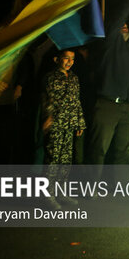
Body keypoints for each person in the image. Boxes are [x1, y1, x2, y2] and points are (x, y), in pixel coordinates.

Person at [87, 0, 129, 176]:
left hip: (125, 107)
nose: (124, 26)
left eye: (126, 26)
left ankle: (122, 185)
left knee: (124, 149)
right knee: (99, 148)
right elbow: (116, 20)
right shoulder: (109, 44)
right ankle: (91, 187)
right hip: (107, 105)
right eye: (120, 25)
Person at [41, 49, 86, 209]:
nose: (69, 61)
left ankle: (60, 192)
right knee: (53, 159)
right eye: (66, 58)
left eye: (72, 59)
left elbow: (76, 100)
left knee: (66, 159)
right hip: (56, 123)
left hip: (70, 123)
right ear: (56, 59)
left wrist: (80, 122)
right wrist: (48, 117)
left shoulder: (74, 77)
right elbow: (50, 99)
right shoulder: (50, 77)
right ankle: (48, 195)